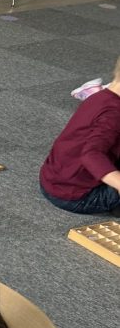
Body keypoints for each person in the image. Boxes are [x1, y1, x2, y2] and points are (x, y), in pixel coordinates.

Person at [39, 55, 120, 215]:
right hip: (80, 195)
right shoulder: (114, 115)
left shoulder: (102, 97)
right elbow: (91, 155)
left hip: (54, 179)